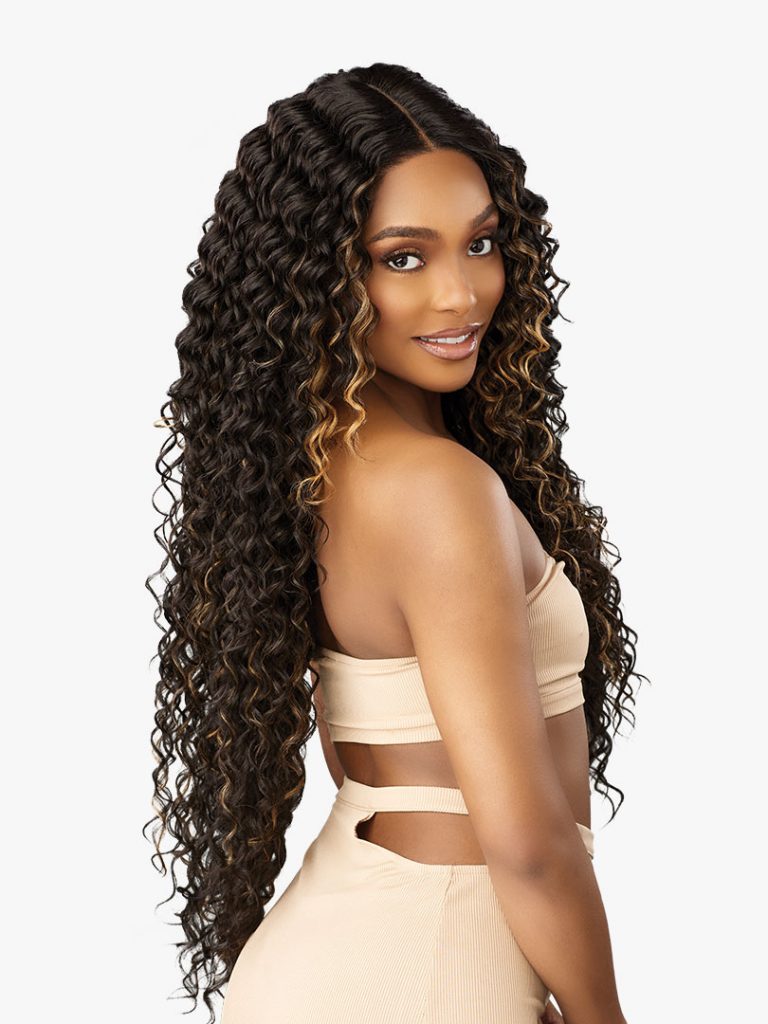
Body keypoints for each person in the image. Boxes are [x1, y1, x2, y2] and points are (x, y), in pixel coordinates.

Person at [146, 62, 645, 1024]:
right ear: (318, 275)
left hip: (363, 947)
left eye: (481, 243)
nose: (461, 294)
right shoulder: (438, 491)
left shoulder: (324, 464)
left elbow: (361, 752)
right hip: (427, 965)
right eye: (404, 258)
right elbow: (529, 844)